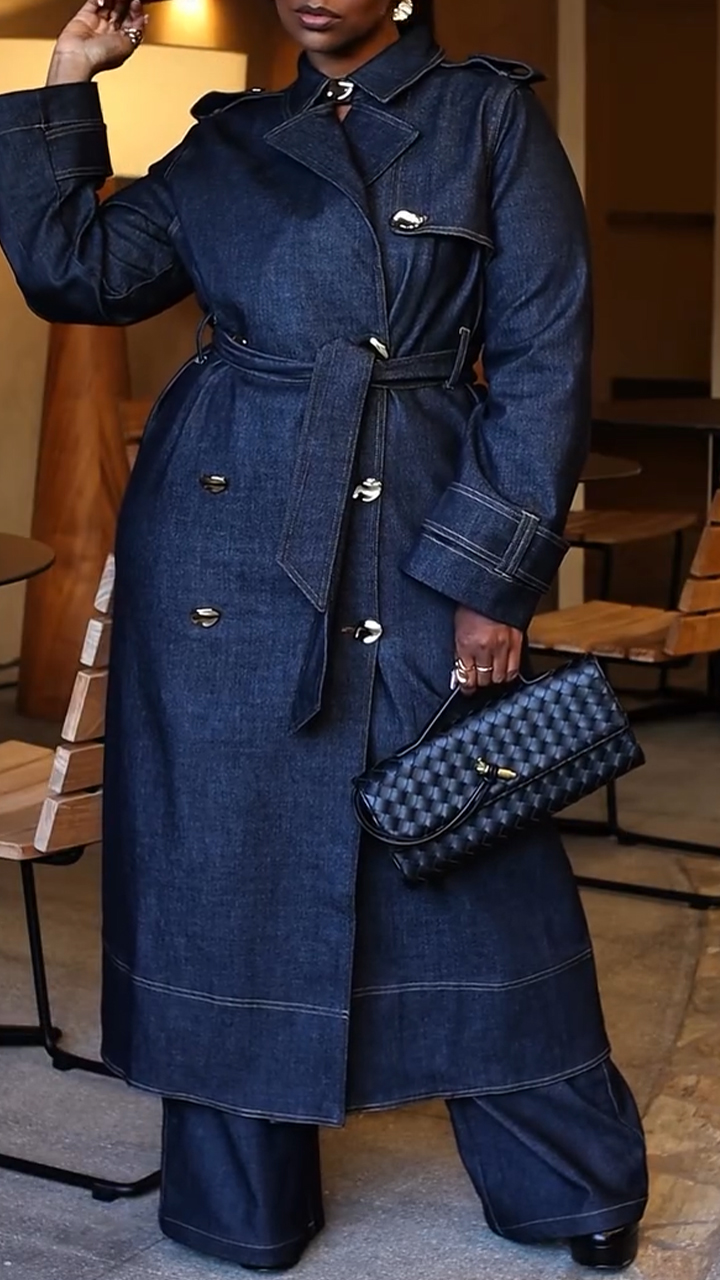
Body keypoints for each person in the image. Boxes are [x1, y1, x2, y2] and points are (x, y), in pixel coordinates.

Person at [0, 0, 648, 1271]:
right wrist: (70, 79)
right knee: (223, 864)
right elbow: (79, 273)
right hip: (221, 540)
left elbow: (541, 355)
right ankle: (240, 1204)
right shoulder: (230, 139)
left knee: (471, 850)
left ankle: (568, 1185)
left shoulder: (487, 117)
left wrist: (490, 580)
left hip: (415, 527)